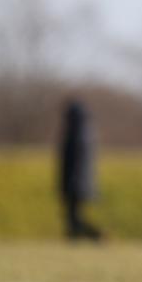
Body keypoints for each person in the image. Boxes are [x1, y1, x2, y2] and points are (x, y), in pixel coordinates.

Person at [59, 99, 101, 240]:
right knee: (73, 216)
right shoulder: (85, 132)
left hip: (75, 183)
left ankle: (95, 235)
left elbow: (76, 163)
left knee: (73, 216)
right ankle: (76, 238)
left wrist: (72, 182)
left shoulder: (78, 134)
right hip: (78, 183)